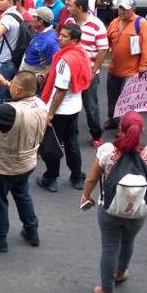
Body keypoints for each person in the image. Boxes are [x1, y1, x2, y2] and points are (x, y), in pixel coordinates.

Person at [81, 112, 147, 293]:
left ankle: (106, 291)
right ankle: (120, 272)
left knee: (109, 247)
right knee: (128, 241)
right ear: (142, 131)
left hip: (110, 208)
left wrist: (86, 195)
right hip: (138, 210)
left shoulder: (108, 151)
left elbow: (92, 178)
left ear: (121, 130)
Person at [0, 70, 45, 252]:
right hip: (28, 159)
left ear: (18, 90)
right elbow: (22, 89)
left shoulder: (10, 111)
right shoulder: (40, 103)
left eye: (13, 86)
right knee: (22, 193)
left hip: (8, 163)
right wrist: (7, 84)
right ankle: (31, 230)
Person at [37, 23, 89, 192]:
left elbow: (60, 90)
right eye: (60, 35)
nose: (59, 38)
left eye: (65, 36)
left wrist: (50, 113)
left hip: (59, 111)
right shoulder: (81, 54)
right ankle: (77, 176)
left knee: (52, 145)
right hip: (74, 108)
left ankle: (51, 178)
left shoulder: (65, 61)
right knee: (72, 144)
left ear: (74, 39)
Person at [64, 0, 109, 148]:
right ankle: (68, 135)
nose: (67, 7)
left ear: (80, 8)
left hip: (88, 73)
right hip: (70, 72)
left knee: (91, 107)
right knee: (68, 104)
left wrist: (93, 71)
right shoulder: (69, 21)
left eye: (70, 5)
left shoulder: (97, 25)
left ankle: (96, 134)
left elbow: (103, 50)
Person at [103, 0, 147, 128]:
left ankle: (124, 126)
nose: (122, 11)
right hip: (114, 69)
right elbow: (106, 43)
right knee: (112, 97)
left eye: (125, 9)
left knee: (126, 101)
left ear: (133, 9)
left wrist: (143, 66)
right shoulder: (114, 22)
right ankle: (113, 119)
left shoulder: (141, 23)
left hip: (132, 71)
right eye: (120, 8)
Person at [18, 6, 59, 73]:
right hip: (26, 69)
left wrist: (42, 76)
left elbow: (55, 61)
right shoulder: (40, 31)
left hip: (33, 74)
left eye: (34, 16)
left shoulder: (49, 41)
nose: (31, 18)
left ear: (40, 22)